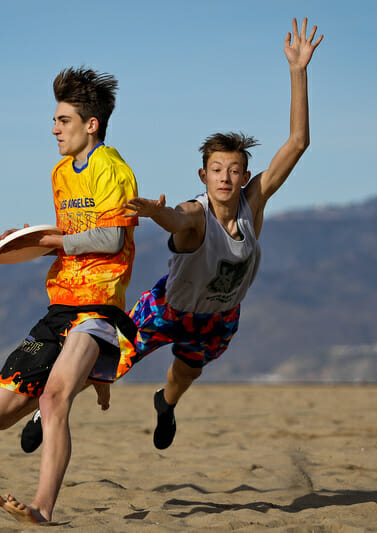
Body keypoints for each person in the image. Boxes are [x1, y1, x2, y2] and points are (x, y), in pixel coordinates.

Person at [124, 18, 323, 450]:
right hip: (168, 307)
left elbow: (298, 142)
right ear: (204, 174)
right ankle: (50, 408)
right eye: (217, 170)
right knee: (103, 363)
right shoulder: (196, 213)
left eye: (234, 171)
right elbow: (179, 222)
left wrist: (298, 71)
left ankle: (165, 404)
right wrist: (159, 214)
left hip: (219, 317)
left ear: (245, 175)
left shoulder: (254, 204)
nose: (225, 179)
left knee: (187, 371)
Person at [0, 66, 141, 524]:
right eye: (54, 120)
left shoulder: (114, 171)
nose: (54, 129)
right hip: (60, 304)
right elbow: (69, 233)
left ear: (91, 125)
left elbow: (108, 240)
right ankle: (88, 378)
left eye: (63, 120)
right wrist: (29, 240)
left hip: (100, 307)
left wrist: (55, 242)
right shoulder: (60, 173)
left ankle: (42, 510)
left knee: (53, 400)